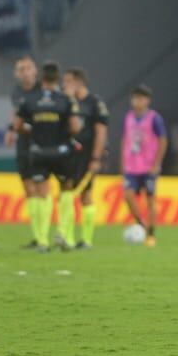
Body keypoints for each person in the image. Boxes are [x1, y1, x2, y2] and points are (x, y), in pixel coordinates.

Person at [14, 61, 81, 253]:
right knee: (66, 191)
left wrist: (32, 129)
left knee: (43, 193)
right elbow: (75, 126)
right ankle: (61, 231)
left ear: (42, 79)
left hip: (38, 152)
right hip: (61, 152)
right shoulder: (65, 100)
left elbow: (18, 125)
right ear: (58, 79)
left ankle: (42, 241)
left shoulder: (29, 100)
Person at [62, 68, 110, 250]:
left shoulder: (95, 103)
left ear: (79, 83)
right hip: (67, 155)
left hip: (87, 156)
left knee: (86, 195)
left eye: (67, 81)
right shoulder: (66, 102)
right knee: (66, 192)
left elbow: (101, 131)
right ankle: (67, 238)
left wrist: (96, 157)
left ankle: (86, 239)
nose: (64, 85)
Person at [4, 56, 45, 247]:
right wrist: (11, 130)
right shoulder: (16, 93)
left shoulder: (42, 91)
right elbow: (15, 114)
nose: (25, 72)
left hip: (42, 142)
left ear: (35, 71)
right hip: (24, 142)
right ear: (16, 74)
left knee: (41, 187)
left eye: (28, 68)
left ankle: (44, 234)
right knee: (28, 187)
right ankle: (37, 235)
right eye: (21, 69)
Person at [121, 85, 168, 247]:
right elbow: (125, 140)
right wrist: (123, 162)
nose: (137, 101)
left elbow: (163, 140)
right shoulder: (128, 117)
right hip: (132, 167)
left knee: (150, 200)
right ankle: (140, 223)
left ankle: (151, 234)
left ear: (147, 100)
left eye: (141, 98)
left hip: (148, 167)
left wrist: (157, 164)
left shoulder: (154, 118)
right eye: (135, 98)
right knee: (128, 195)